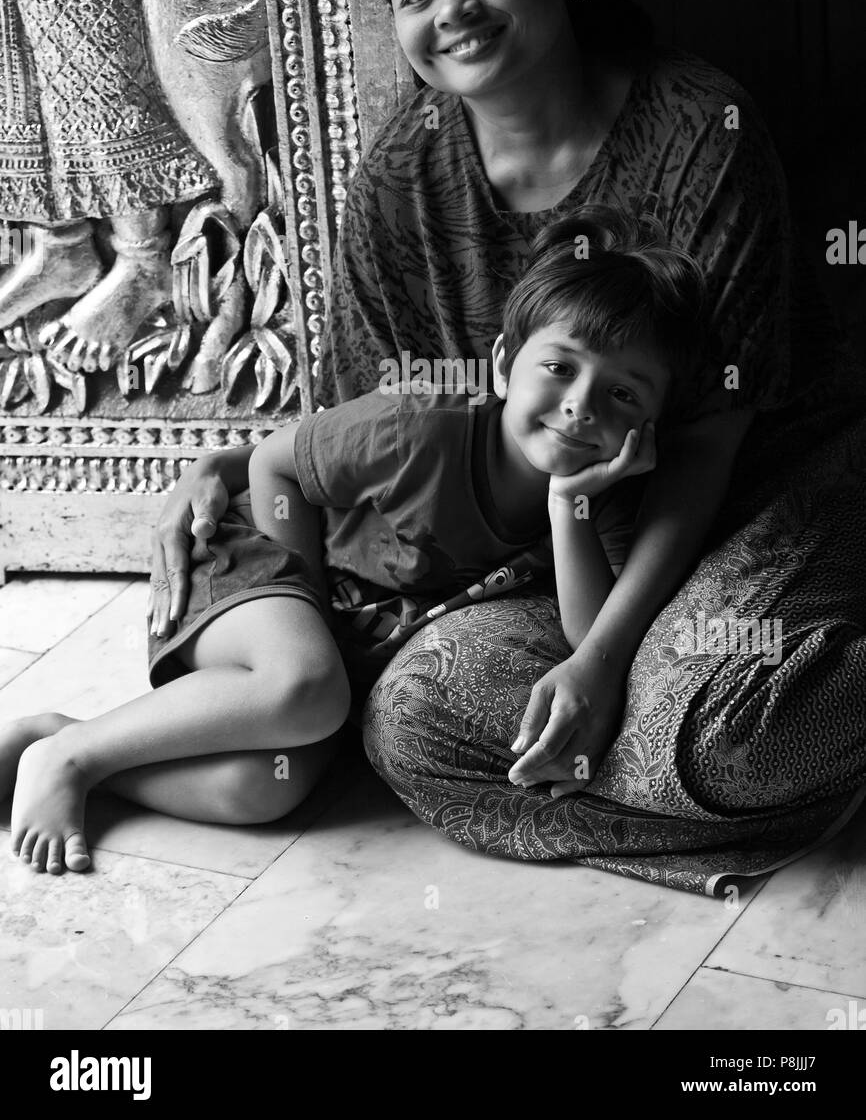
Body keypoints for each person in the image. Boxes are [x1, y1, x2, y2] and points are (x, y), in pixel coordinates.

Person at [147, 0, 866, 894]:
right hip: (564, 547)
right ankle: (725, 807)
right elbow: (367, 418)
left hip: (754, 503)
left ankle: (738, 752)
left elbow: (707, 446)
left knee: (729, 728)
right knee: (408, 723)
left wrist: (602, 659)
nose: (454, 9)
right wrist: (236, 466)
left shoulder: (697, 132)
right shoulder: (401, 178)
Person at [0, 206, 704, 873]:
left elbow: (591, 645)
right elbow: (277, 467)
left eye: (623, 395)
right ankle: (74, 759)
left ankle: (58, 735)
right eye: (560, 367)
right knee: (306, 685)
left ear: (652, 423)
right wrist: (303, 611)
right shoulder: (418, 430)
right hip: (246, 559)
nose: (581, 404)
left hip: (320, 653)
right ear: (502, 366)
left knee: (263, 789)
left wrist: (567, 502)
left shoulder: (600, 501)